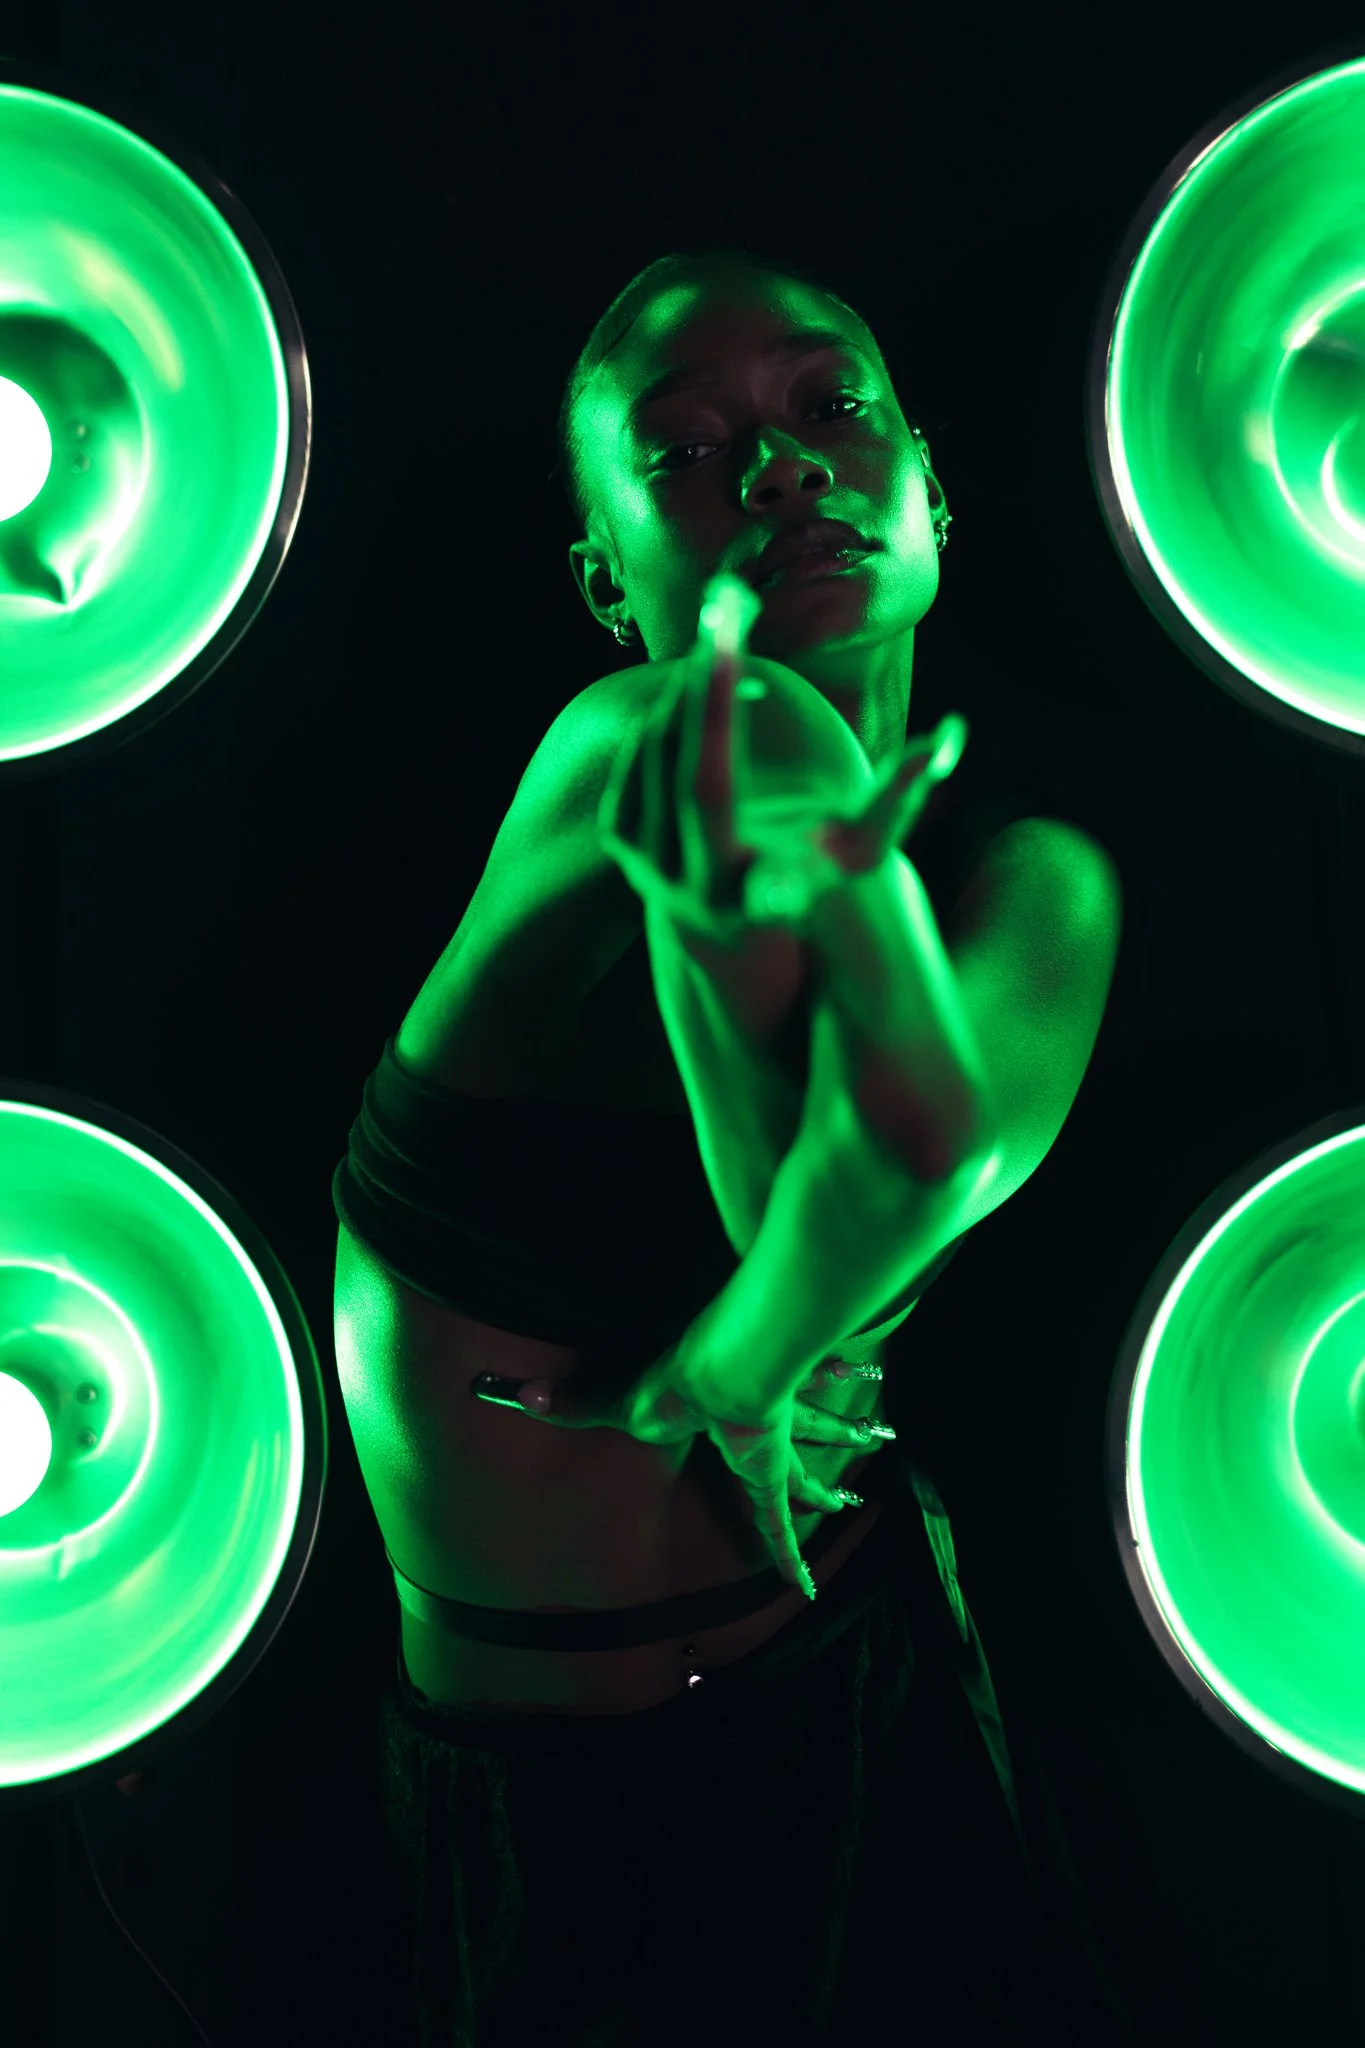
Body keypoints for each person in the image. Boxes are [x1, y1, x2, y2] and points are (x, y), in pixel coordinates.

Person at [332, 245, 1128, 2044]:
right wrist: (715, 942)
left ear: (932, 486)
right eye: (682, 453)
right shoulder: (638, 737)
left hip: (859, 1692)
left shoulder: (1034, 895)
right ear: (604, 580)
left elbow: (885, 1184)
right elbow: (824, 1204)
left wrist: (729, 1362)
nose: (779, 465)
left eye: (831, 406)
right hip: (562, 1804)